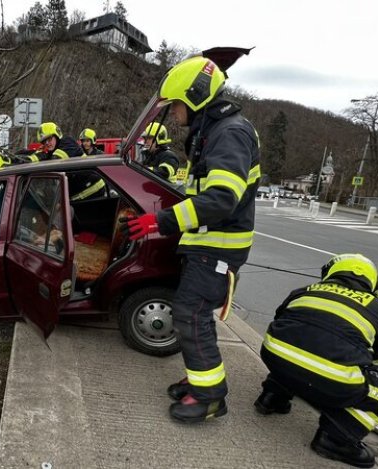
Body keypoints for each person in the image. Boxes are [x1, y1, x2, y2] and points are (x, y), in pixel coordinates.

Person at [119, 55, 261, 423]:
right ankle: (200, 379)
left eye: (177, 104)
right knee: (195, 316)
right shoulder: (215, 131)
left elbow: (220, 199)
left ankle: (210, 398)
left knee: (191, 315)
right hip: (207, 246)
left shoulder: (229, 133)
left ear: (195, 97)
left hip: (218, 247)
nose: (175, 112)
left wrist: (161, 221)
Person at [255, 254, 378, 468]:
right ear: (372, 282)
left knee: (300, 342)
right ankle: (337, 438)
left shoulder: (303, 291)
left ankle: (272, 397)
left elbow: (283, 323)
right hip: (332, 379)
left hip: (274, 358)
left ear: (330, 273)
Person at [35, 122, 106, 201]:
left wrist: (41, 157)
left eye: (49, 139)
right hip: (81, 190)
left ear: (57, 135)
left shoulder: (67, 143)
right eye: (44, 141)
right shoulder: (55, 150)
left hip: (92, 189)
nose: (47, 143)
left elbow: (55, 161)